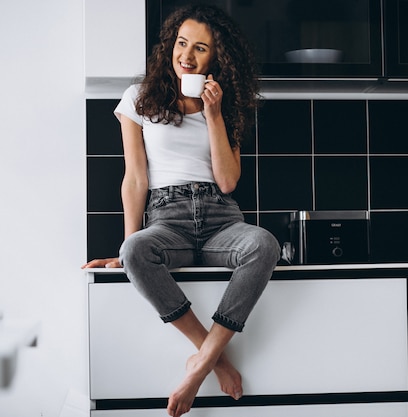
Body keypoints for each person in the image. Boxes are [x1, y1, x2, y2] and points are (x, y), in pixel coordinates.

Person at [82, 5, 281, 417]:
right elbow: (135, 179)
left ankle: (200, 367)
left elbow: (228, 182)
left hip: (220, 218)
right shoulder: (138, 99)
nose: (186, 55)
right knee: (136, 251)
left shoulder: (226, 106)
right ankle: (214, 358)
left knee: (264, 244)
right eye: (181, 42)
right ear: (171, 45)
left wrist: (212, 115)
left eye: (201, 48)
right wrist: (125, 246)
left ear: (216, 58)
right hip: (166, 218)